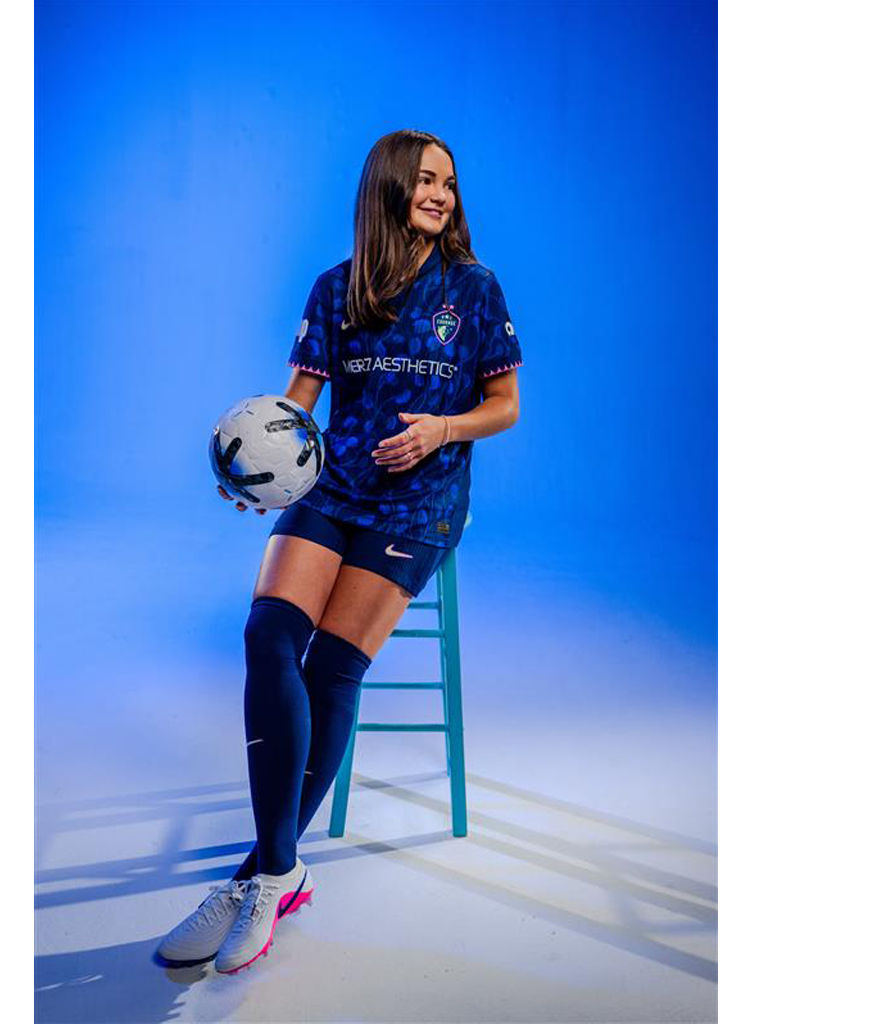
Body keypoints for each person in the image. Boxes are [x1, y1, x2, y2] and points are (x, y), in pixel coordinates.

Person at [157, 129, 522, 974]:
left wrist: (443, 429)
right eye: (425, 179)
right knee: (267, 637)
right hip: (333, 489)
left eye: (449, 183)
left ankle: (258, 879)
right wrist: (255, 470)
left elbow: (504, 404)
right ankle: (279, 873)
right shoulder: (336, 288)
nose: (441, 195)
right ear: (389, 186)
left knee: (329, 670)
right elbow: (296, 404)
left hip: (420, 503)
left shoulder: (473, 289)